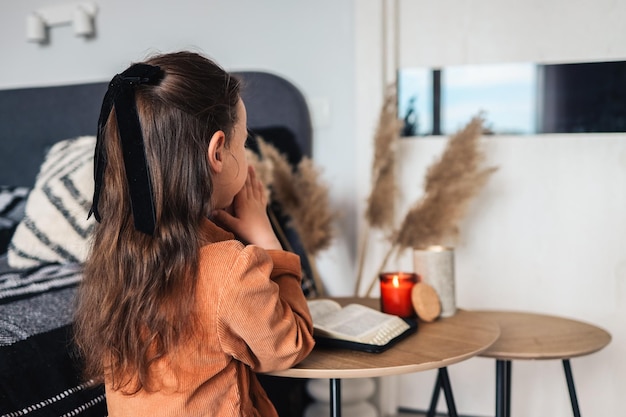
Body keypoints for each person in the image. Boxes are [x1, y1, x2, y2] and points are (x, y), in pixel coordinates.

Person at [73, 51, 315, 417]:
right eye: (243, 142)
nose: (245, 154)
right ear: (217, 151)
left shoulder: (116, 256)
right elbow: (287, 347)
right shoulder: (229, 267)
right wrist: (266, 241)